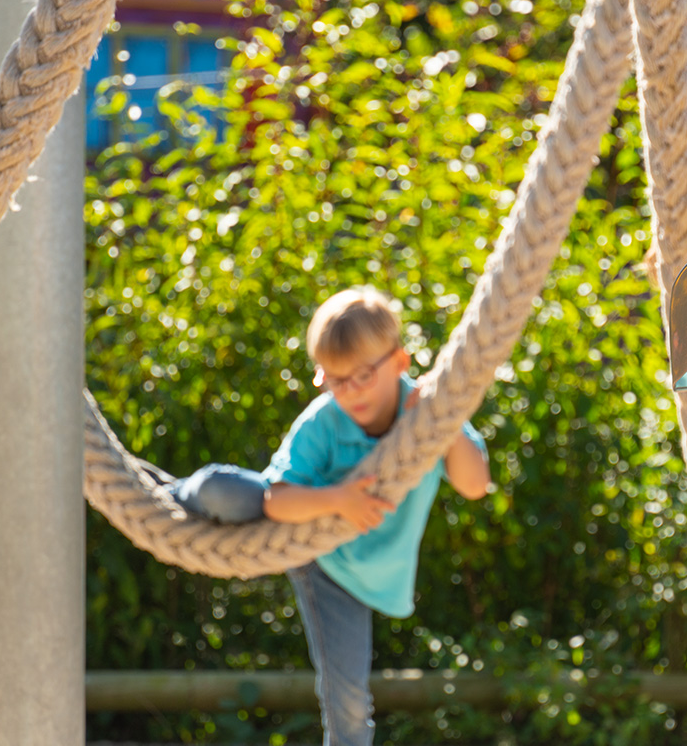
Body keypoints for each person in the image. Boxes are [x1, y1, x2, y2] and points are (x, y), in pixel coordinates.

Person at [169, 286, 491, 746]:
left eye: (361, 376)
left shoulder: (424, 413)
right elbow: (276, 501)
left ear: (400, 363)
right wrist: (339, 500)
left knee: (350, 700)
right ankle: (169, 493)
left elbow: (475, 485)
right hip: (303, 536)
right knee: (218, 490)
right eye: (335, 380)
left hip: (350, 573)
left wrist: (446, 423)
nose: (350, 392)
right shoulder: (325, 420)